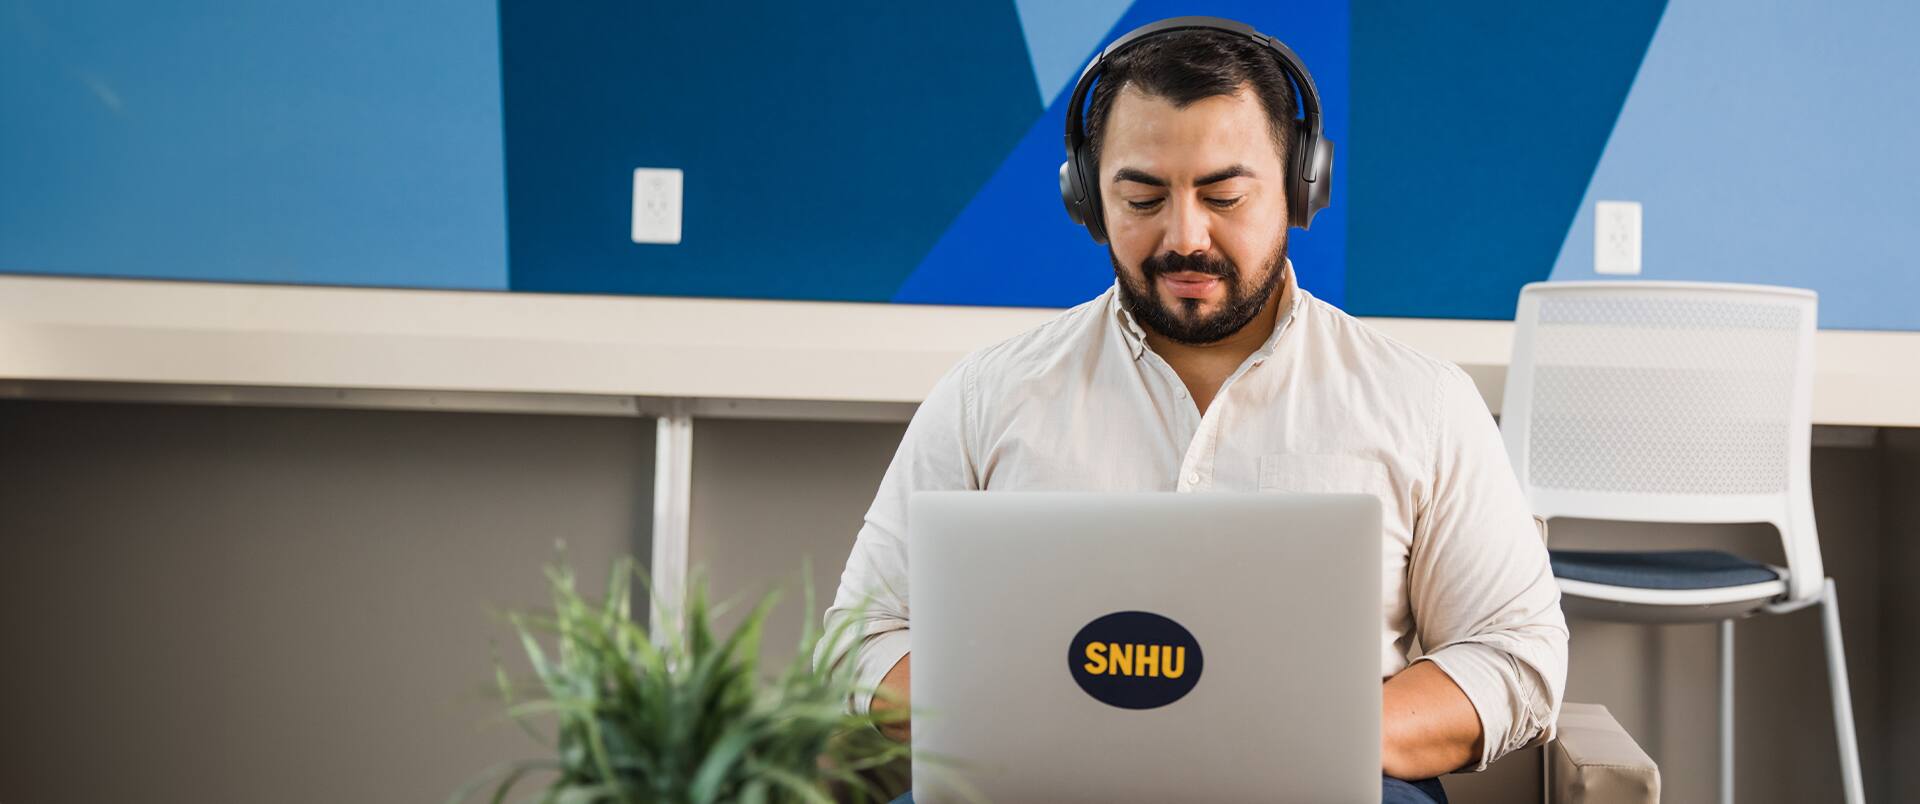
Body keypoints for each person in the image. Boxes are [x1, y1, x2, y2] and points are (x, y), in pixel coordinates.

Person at [822, 18, 1567, 804]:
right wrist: (1029, 731)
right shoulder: (985, 395)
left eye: (1225, 196)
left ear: (1302, 187)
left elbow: (1516, 654)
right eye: (1142, 197)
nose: (1185, 236)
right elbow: (860, 639)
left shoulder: (1423, 401)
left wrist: (1322, 736)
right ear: (1087, 198)